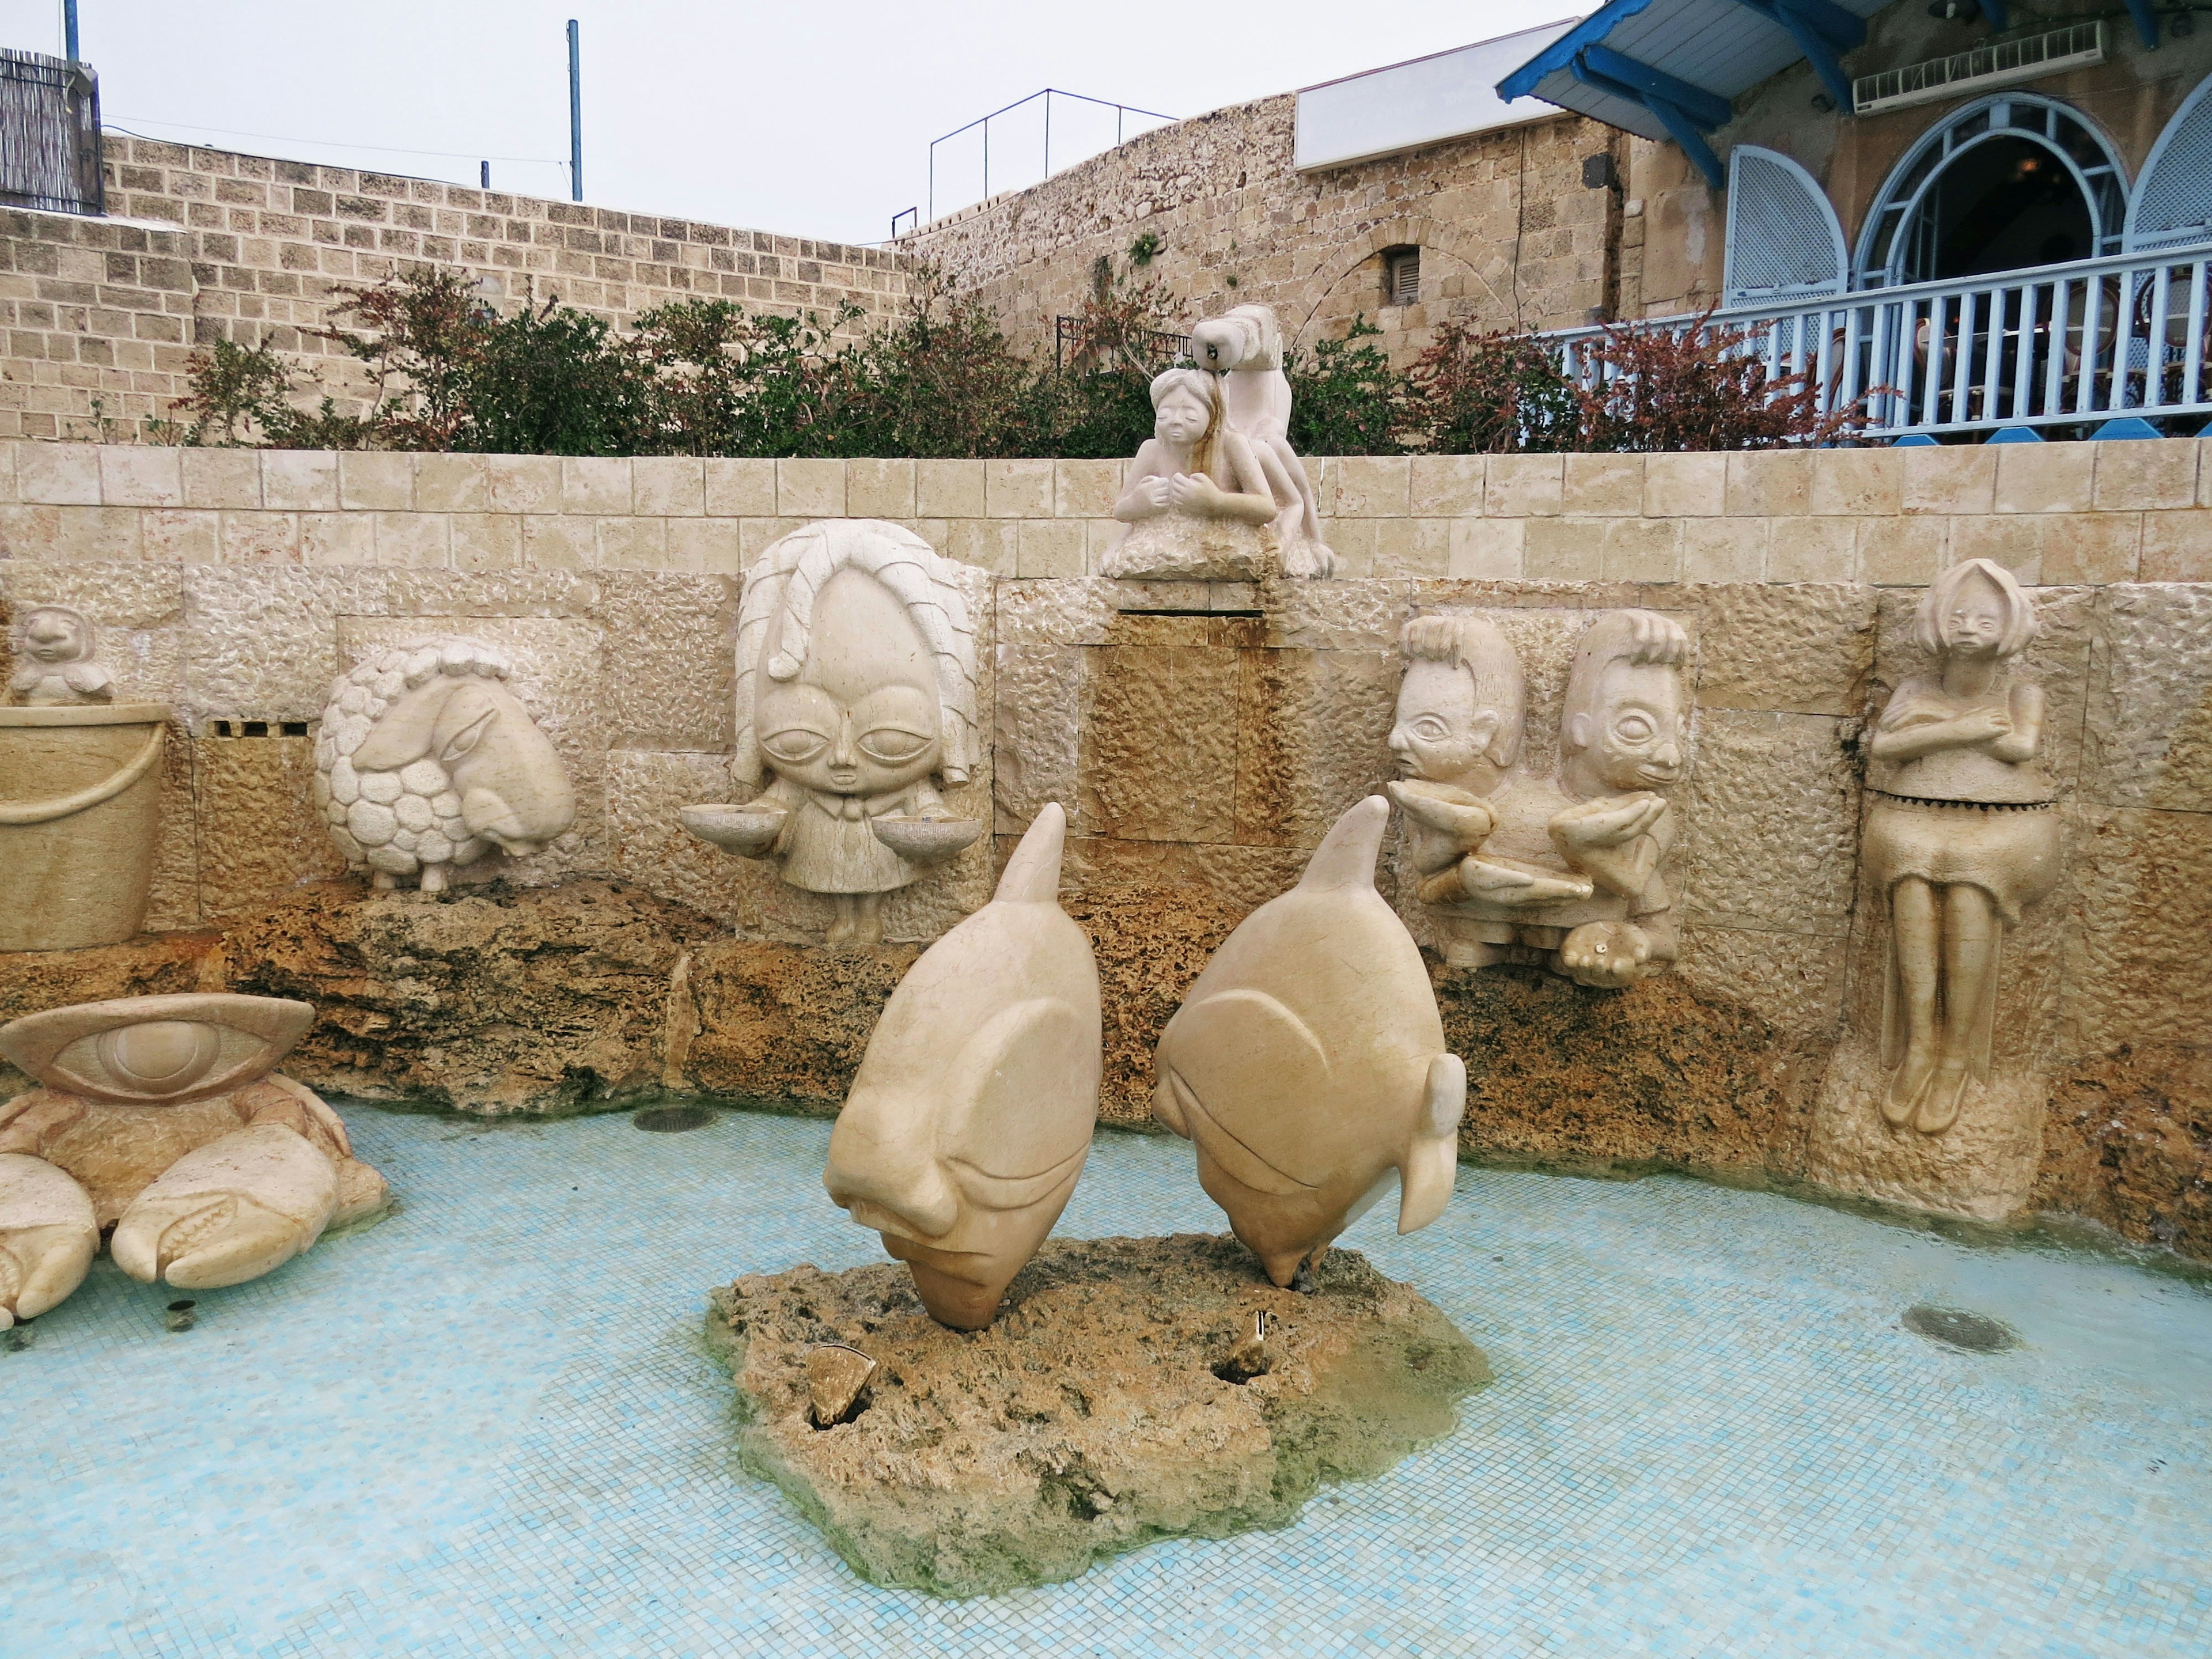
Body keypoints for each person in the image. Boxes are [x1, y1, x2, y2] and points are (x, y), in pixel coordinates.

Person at [1864, 558, 2059, 1135]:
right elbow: (1884, 745)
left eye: (1985, 616)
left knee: (1971, 875)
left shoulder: (2021, 690)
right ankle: (1921, 1043)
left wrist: (1933, 730)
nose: (1970, 626)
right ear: (1938, 621)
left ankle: (1955, 1055)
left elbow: (2021, 747)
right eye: (1960, 614)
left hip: (2007, 826)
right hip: (1912, 817)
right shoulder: (1916, 687)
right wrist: (1971, 729)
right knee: (1914, 875)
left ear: (2011, 624)